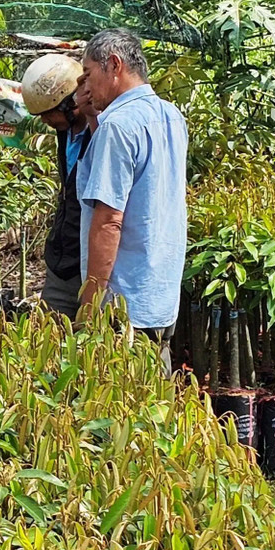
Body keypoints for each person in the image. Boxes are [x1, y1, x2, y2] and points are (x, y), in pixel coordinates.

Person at [75, 28, 188, 370]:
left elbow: (109, 221)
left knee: (115, 414)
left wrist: (89, 307)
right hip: (160, 297)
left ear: (114, 65)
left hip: (121, 310)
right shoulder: (171, 116)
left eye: (89, 74)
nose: (86, 87)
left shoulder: (119, 126)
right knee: (154, 412)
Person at [20, 54, 92, 319]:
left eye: (48, 115)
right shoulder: (66, 134)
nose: (45, 122)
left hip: (88, 263)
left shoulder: (104, 134)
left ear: (70, 103)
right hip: (62, 262)